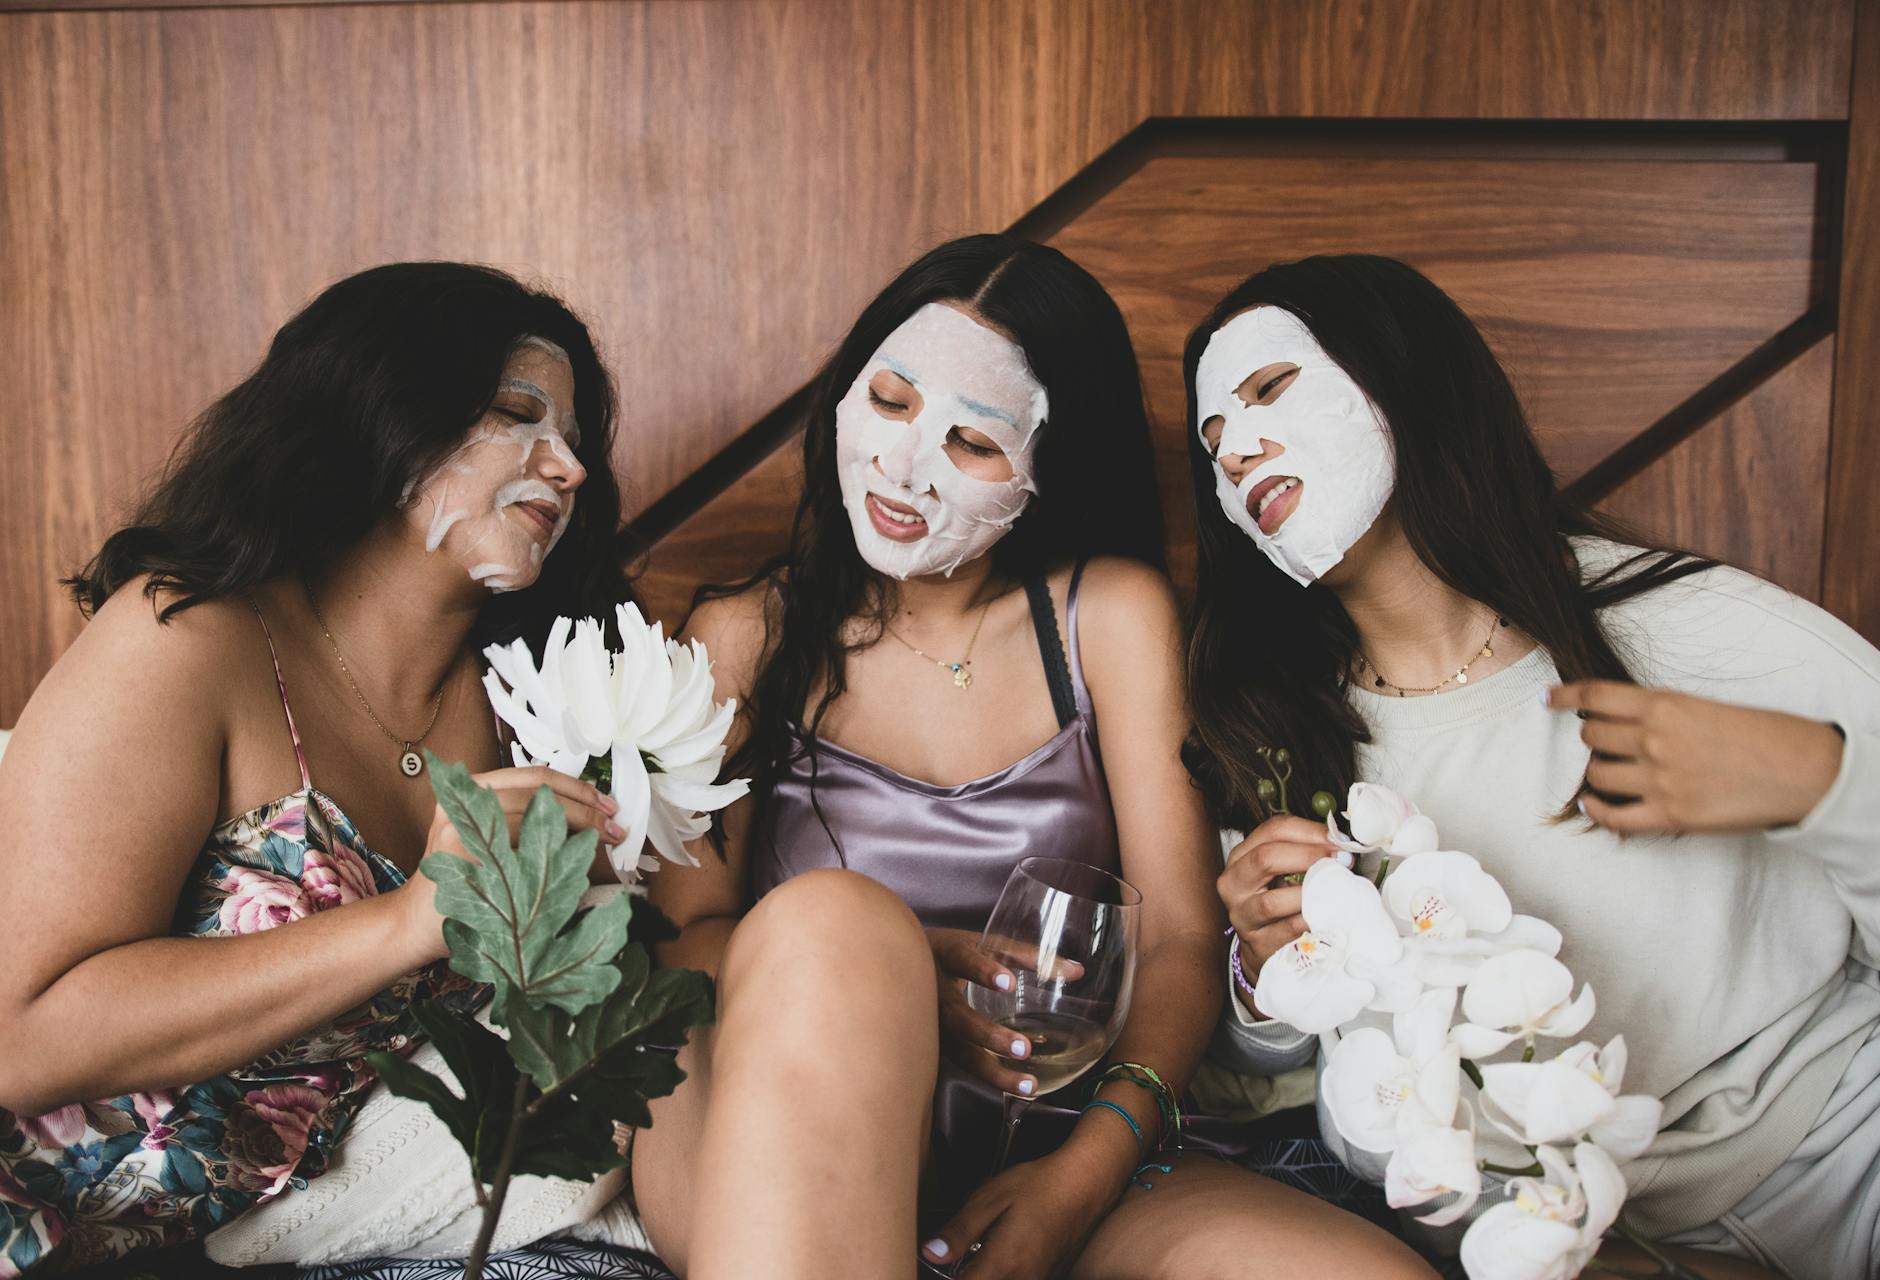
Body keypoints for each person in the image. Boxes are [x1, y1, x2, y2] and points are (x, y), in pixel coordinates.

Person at [640, 234, 1431, 1278]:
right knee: (835, 920)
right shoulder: (746, 633)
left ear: (1044, 463)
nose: (905, 463)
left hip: (1067, 1142)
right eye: (887, 399)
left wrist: (1075, 1182)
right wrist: (889, 963)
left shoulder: (1104, 615)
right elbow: (680, 943)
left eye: (973, 439)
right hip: (786, 1133)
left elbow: (1186, 941)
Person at [1188, 254, 1880, 1279]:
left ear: (1402, 382)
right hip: (1570, 1245)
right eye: (1210, 440)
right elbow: (1270, 1086)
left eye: (1268, 389)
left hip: (1843, 1158)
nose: (1238, 448)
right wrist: (1257, 974)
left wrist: (1821, 783)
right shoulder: (1281, 743)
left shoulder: (1691, 630)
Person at [0, 262, 636, 1273]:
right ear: (386, 414)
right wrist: (404, 922)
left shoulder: (545, 705)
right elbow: (21, 1034)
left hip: (316, 1235)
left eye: (575, 440)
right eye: (521, 414)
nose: (568, 468)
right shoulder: (187, 636)